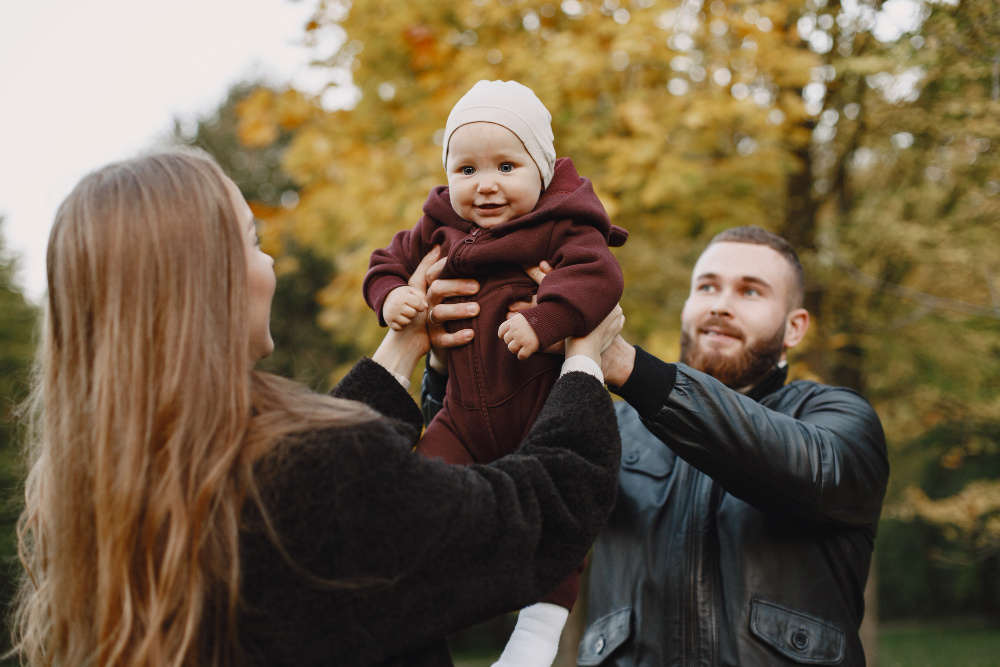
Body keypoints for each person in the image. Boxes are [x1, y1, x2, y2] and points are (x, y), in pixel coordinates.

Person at [10, 149, 625, 667]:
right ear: (208, 281)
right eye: (253, 242)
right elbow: (539, 512)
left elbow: (321, 474)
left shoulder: (109, 489)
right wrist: (582, 361)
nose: (270, 263)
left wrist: (407, 340)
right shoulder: (311, 483)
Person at [424, 225, 889, 666]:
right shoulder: (607, 425)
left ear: (795, 327)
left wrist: (622, 363)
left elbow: (811, 469)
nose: (720, 306)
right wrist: (454, 368)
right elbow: (491, 500)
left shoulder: (839, 417)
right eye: (706, 287)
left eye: (750, 291)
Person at [363, 80, 627, 664]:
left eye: (506, 165)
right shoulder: (439, 226)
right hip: (460, 415)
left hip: (538, 409)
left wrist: (547, 319)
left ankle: (535, 637)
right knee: (410, 503)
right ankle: (416, 615)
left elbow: (598, 275)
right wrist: (391, 299)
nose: (484, 184)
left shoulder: (563, 223)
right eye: (466, 169)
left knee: (561, 522)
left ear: (541, 169)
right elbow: (388, 262)